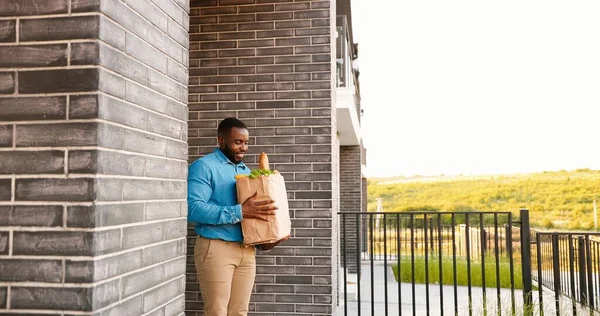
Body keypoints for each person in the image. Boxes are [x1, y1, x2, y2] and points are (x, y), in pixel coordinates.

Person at [187, 117, 278, 316]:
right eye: (238, 142)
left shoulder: (247, 172)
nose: (243, 148)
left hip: (246, 251)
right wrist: (239, 211)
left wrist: (266, 238)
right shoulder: (204, 166)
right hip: (216, 248)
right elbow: (193, 209)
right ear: (221, 141)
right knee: (217, 312)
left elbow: (253, 214)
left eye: (246, 143)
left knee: (239, 312)